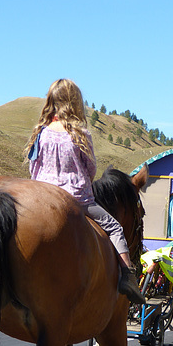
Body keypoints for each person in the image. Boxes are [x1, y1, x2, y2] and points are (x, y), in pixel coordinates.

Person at [25, 78, 145, 305]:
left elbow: (33, 167)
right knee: (115, 227)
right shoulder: (80, 133)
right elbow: (91, 169)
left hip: (42, 195)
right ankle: (128, 277)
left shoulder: (40, 132)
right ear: (75, 102)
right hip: (76, 197)